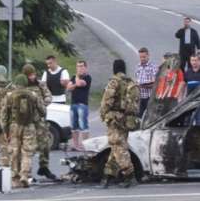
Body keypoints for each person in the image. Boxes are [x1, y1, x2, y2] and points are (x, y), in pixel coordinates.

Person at [0, 74, 45, 188]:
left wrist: (5, 131)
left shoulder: (9, 96)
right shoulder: (33, 95)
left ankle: (15, 178)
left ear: (16, 83)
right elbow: (42, 111)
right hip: (29, 126)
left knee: (14, 152)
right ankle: (24, 175)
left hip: (14, 127)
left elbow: (4, 115)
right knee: (27, 152)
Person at [100, 59, 140, 188]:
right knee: (116, 147)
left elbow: (107, 101)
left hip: (115, 119)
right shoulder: (130, 82)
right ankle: (107, 176)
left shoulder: (114, 82)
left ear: (114, 69)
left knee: (118, 147)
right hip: (127, 120)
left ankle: (130, 176)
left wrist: (104, 114)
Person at [22, 64, 57, 180]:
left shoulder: (40, 84)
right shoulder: (22, 85)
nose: (32, 77)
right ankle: (27, 173)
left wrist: (41, 103)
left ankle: (44, 167)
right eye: (30, 75)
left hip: (40, 120)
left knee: (45, 145)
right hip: (27, 121)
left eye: (33, 74)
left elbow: (48, 96)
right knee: (29, 147)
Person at [67, 60, 92, 151]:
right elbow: (68, 88)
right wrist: (74, 84)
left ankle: (87, 145)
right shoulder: (73, 77)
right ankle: (76, 145)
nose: (80, 68)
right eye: (78, 66)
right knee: (74, 126)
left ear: (86, 67)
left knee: (83, 125)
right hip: (73, 103)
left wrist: (76, 80)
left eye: (81, 66)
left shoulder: (88, 77)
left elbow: (79, 83)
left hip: (82, 104)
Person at [135, 47, 158, 118]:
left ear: (148, 56)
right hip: (140, 97)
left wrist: (144, 85)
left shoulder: (153, 67)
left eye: (144, 57)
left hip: (149, 97)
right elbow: (136, 79)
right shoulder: (137, 67)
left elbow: (156, 83)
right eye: (141, 57)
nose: (142, 59)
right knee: (139, 117)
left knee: (149, 117)